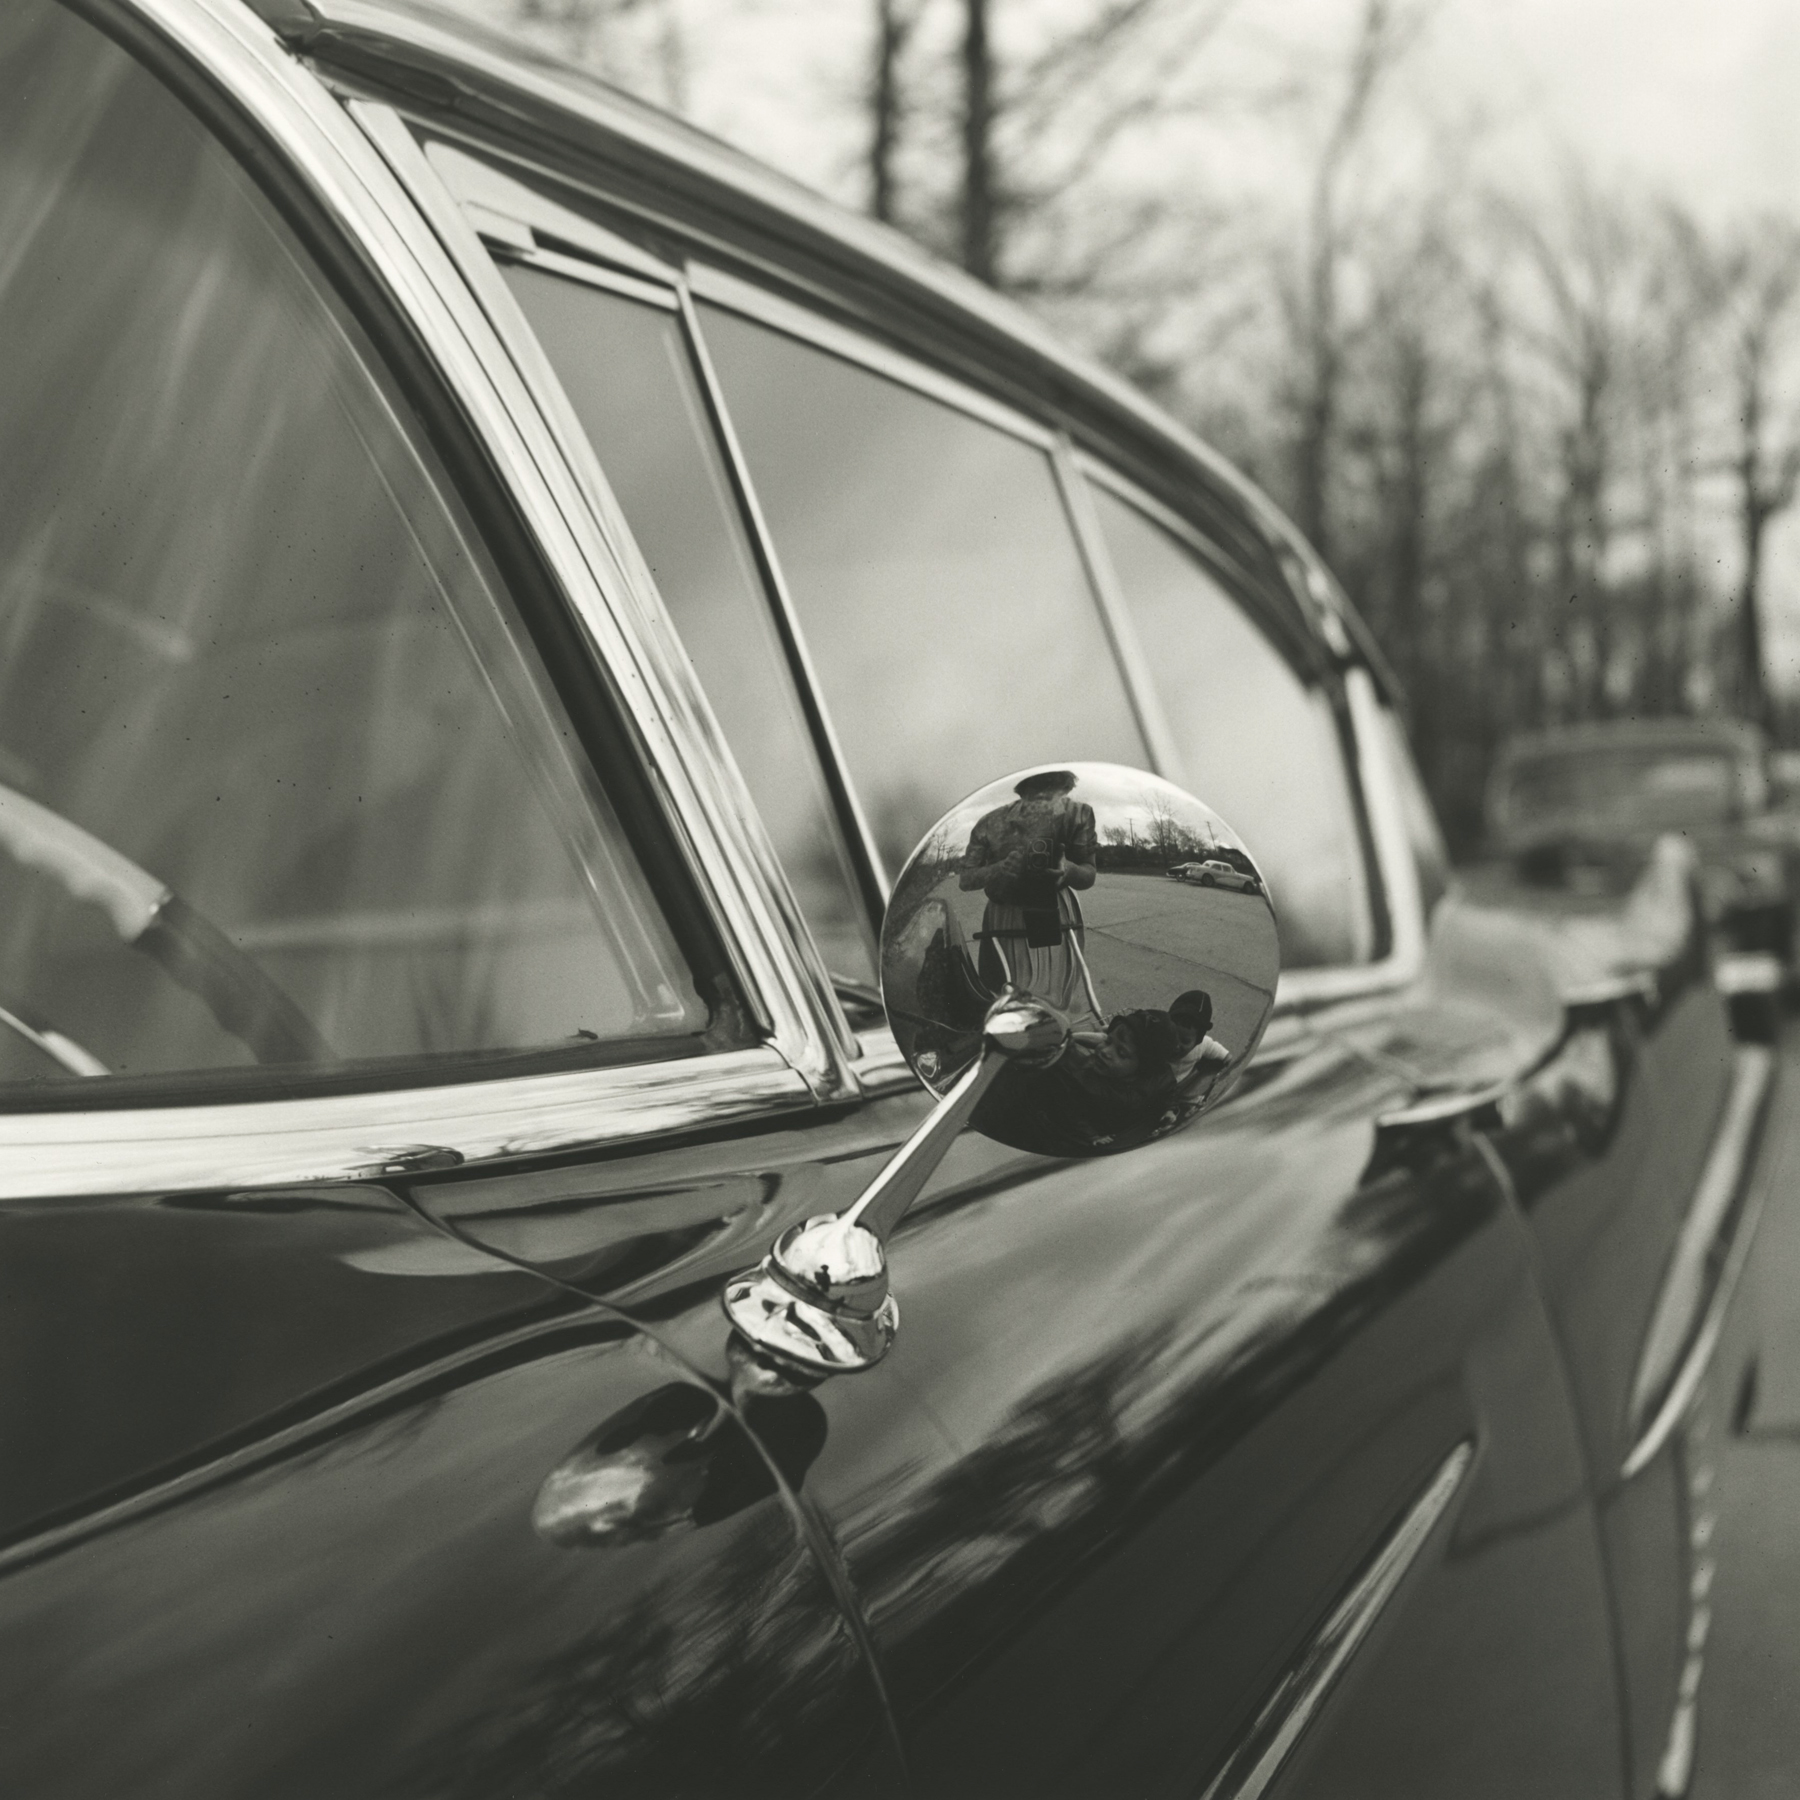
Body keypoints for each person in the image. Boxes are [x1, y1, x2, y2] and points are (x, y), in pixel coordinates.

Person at [957, 769, 1100, 1025]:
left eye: (1055, 794)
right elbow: (965, 880)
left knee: (1053, 1000)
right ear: (1022, 790)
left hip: (1054, 911)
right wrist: (999, 869)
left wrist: (1067, 870)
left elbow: (1089, 874)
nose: (1045, 803)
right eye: (1037, 794)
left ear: (1066, 791)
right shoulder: (989, 822)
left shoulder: (1079, 815)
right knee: (1004, 996)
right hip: (1005, 915)